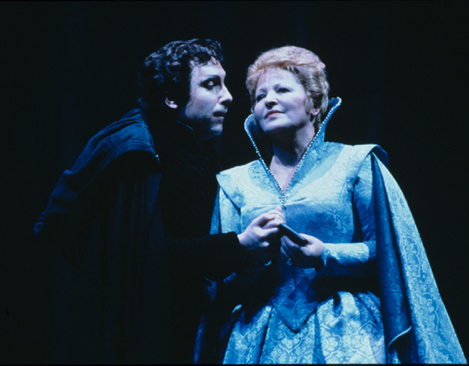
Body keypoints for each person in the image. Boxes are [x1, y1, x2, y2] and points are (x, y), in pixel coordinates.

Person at [207, 46, 466, 363]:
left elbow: (393, 254)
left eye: (282, 89)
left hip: (344, 331)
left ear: (314, 103)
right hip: (258, 337)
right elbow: (217, 285)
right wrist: (255, 257)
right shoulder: (234, 183)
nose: (268, 100)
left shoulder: (355, 164)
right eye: (260, 96)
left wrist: (326, 254)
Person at [33, 39, 283, 364]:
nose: (228, 96)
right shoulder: (139, 154)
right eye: (211, 85)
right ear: (170, 98)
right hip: (148, 333)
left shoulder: (206, 160)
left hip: (194, 328)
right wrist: (239, 244)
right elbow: (149, 258)